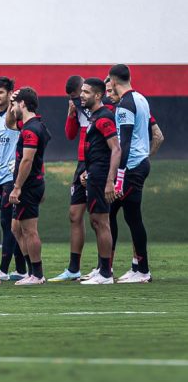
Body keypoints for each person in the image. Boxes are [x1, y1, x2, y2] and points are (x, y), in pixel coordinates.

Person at [108, 64, 154, 283]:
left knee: (132, 218)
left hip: (133, 167)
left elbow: (124, 143)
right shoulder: (141, 99)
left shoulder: (125, 104)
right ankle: (134, 267)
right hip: (140, 162)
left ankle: (142, 270)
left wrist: (119, 176)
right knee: (118, 214)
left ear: (114, 82)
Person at [77, 78, 120, 285]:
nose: (81, 95)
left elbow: (116, 149)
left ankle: (105, 274)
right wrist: (87, 172)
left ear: (98, 95)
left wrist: (109, 181)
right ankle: (102, 268)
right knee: (96, 222)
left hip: (102, 176)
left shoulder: (104, 118)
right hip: (95, 174)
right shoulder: (95, 118)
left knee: (102, 222)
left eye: (86, 92)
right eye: (81, 91)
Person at [7, 87, 51, 286]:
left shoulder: (32, 129)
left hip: (28, 186)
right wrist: (10, 104)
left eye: (16, 104)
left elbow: (27, 160)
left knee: (29, 230)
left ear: (23, 104)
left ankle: (37, 274)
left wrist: (17, 187)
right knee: (16, 228)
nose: (13, 107)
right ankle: (31, 271)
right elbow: (9, 123)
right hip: (32, 183)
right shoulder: (32, 125)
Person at [52, 75, 91, 282]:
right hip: (82, 162)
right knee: (75, 215)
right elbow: (69, 134)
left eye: (78, 96)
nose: (77, 99)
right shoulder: (78, 108)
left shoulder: (101, 109)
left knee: (100, 218)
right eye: (74, 97)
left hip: (97, 162)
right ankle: (74, 268)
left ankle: (106, 268)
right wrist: (71, 113)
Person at [0, 77, 27, 281]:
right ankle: (21, 269)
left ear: (10, 93)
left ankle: (3, 269)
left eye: (0, 92)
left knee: (8, 223)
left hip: (12, 177)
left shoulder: (18, 115)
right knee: (11, 224)